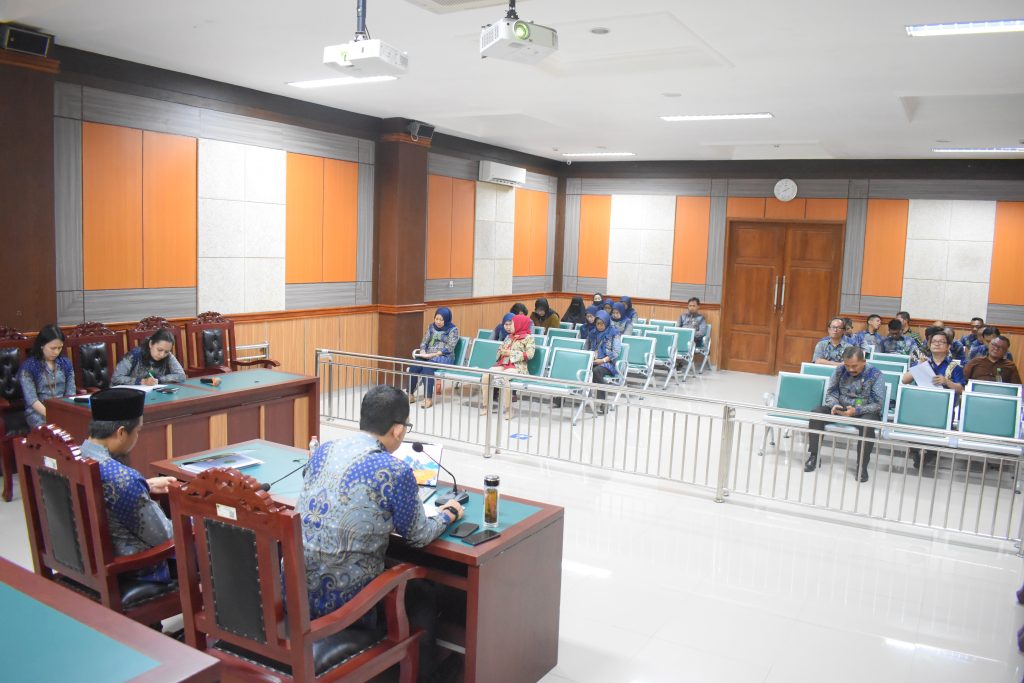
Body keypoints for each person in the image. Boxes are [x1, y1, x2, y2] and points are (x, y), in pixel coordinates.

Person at [297, 385, 464, 682]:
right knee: (423, 592)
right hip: (349, 607)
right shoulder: (394, 470)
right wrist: (449, 513)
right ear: (398, 430)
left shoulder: (323, 450)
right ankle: (424, 676)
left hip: (298, 594)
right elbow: (418, 536)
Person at [79, 388, 177, 583]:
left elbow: (103, 494)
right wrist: (197, 520)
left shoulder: (75, 457)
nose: (137, 436)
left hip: (82, 565)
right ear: (121, 432)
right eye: (138, 431)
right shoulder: (124, 480)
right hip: (132, 570)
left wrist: (144, 486)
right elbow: (164, 535)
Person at [804, 347, 885, 482]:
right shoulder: (840, 370)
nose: (850, 369)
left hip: (864, 411)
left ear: (864, 362)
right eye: (847, 365)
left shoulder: (875, 375)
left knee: (867, 425)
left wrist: (856, 411)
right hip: (840, 407)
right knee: (817, 413)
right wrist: (834, 404)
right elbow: (831, 392)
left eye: (854, 366)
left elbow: (878, 404)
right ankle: (814, 456)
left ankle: (862, 465)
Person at [901, 329, 964, 470]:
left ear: (948, 346)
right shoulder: (924, 362)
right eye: (934, 342)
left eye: (941, 342)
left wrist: (947, 382)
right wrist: (919, 366)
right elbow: (905, 380)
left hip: (943, 410)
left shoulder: (955, 367)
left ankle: (930, 453)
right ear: (929, 345)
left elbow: (961, 389)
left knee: (935, 437)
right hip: (921, 406)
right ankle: (916, 450)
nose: (937, 344)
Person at [18, 323, 76, 429]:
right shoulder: (29, 367)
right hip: (38, 413)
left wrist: (65, 413)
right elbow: (32, 400)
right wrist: (52, 415)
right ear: (42, 345)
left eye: (59, 348)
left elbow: (70, 393)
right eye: (52, 348)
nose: (56, 352)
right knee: (52, 432)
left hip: (63, 410)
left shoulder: (66, 364)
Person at [481, 314, 535, 419]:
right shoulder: (509, 337)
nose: (510, 326)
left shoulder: (529, 338)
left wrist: (511, 353)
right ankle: (486, 406)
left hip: (518, 367)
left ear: (519, 324)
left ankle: (508, 409)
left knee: (504, 377)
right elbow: (500, 349)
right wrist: (502, 351)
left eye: (512, 324)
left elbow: (530, 354)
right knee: (486, 375)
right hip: (504, 364)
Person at [409, 307, 459, 409]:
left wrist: (433, 354)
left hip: (445, 356)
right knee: (415, 365)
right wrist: (423, 351)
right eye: (436, 319)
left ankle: (428, 399)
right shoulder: (431, 327)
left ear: (447, 319)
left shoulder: (453, 330)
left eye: (441, 320)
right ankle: (410, 394)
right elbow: (424, 342)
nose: (438, 322)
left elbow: (450, 347)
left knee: (427, 367)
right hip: (428, 355)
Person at [112, 329, 186, 386]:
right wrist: (142, 381)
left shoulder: (169, 356)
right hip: (129, 395)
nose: (162, 355)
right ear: (151, 344)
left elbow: (181, 376)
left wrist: (159, 379)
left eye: (166, 351)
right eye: (159, 350)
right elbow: (116, 378)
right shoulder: (134, 355)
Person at [585, 311, 621, 414]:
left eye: (602, 324)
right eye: (598, 324)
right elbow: (586, 348)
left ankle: (603, 402)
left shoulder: (614, 333)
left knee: (597, 371)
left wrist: (602, 360)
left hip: (608, 363)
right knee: (583, 369)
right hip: (593, 361)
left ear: (606, 322)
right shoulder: (592, 333)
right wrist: (590, 357)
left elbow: (616, 352)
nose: (600, 326)